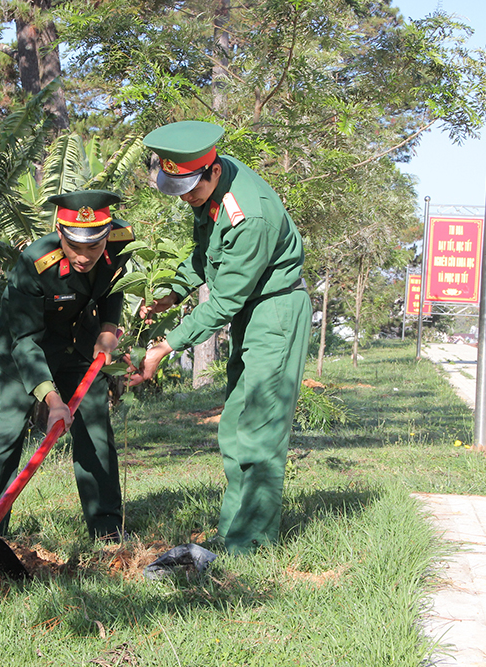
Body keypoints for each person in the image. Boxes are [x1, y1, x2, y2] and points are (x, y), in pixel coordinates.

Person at [131, 120, 311, 555]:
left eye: (191, 188)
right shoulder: (209, 189)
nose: (186, 198)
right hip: (252, 308)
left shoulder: (249, 216)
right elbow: (205, 255)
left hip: (275, 309)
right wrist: (170, 293)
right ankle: (234, 533)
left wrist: (167, 345)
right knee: (234, 423)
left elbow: (225, 302)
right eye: (177, 188)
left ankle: (251, 545)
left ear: (212, 170)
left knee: (260, 427)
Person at [0, 189, 133, 541]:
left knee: (95, 428)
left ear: (106, 235)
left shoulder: (120, 241)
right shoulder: (34, 263)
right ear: (61, 234)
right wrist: (53, 401)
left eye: (94, 247)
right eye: (76, 247)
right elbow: (25, 342)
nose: (85, 257)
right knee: (8, 432)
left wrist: (107, 328)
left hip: (79, 340)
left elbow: (113, 285)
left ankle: (107, 531)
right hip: (25, 344)